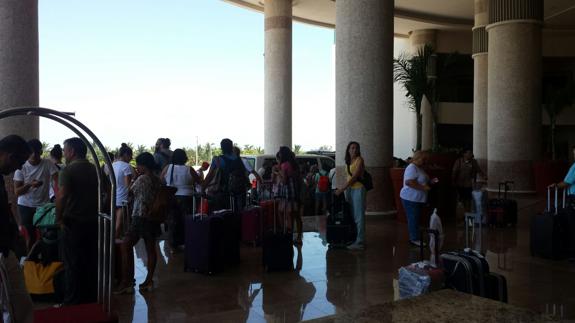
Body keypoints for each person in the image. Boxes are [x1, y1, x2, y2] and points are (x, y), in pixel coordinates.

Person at [56, 137, 99, 305]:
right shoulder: (94, 169)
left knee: (72, 263)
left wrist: (59, 218)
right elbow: (107, 191)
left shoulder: (67, 171)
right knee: (90, 261)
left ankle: (72, 301)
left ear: (72, 151)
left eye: (65, 150)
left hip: (73, 223)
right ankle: (91, 299)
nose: (64, 154)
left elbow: (62, 195)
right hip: (93, 222)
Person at [115, 152, 162, 294]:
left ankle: (126, 282)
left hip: (140, 216)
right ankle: (148, 280)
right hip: (153, 217)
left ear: (143, 165)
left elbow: (129, 192)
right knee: (150, 249)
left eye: (138, 165)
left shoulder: (142, 179)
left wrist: (134, 178)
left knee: (126, 244)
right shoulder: (157, 180)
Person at [0, 135, 34, 323]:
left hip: (6, 248)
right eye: (19, 162)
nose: (20, 168)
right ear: (10, 156)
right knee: (15, 303)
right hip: (2, 249)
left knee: (16, 304)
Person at [13, 139, 59, 251]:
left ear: (41, 152)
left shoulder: (48, 164)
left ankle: (45, 260)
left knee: (47, 235)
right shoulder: (21, 167)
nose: (34, 155)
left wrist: (59, 198)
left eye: (37, 152)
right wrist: (29, 184)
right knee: (30, 236)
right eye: (31, 152)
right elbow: (17, 192)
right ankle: (30, 261)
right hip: (25, 206)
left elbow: (56, 182)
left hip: (44, 206)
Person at [160, 148, 200, 251]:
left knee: (172, 221)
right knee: (186, 220)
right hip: (187, 197)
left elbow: (160, 180)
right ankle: (186, 242)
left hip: (171, 197)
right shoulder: (189, 169)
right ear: (184, 158)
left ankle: (173, 245)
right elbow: (198, 181)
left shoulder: (168, 167)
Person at [400, 151, 437, 247]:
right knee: (413, 219)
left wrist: (430, 182)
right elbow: (409, 182)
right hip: (411, 198)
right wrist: (424, 188)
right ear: (418, 158)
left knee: (415, 218)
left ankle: (415, 236)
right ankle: (414, 239)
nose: (425, 162)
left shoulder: (419, 168)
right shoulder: (412, 168)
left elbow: (422, 180)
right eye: (424, 159)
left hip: (418, 199)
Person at [335, 142, 367, 250]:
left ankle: (360, 242)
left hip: (358, 189)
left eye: (356, 148)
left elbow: (354, 178)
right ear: (348, 150)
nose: (354, 150)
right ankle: (354, 238)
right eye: (352, 148)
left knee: (359, 216)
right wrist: (344, 189)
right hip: (349, 190)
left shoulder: (359, 160)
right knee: (352, 215)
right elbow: (348, 177)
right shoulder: (348, 161)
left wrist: (341, 189)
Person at [202, 138, 248, 211]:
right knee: (238, 214)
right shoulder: (239, 159)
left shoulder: (218, 159)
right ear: (231, 147)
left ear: (221, 148)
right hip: (240, 192)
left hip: (225, 193)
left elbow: (209, 176)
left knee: (223, 214)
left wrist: (202, 188)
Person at [276, 146, 303, 245]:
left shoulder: (284, 165)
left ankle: (288, 237)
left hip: (287, 192)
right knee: (296, 216)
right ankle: (299, 237)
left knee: (286, 214)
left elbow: (284, 181)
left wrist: (278, 173)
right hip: (295, 191)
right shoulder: (294, 164)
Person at [113, 143, 134, 238]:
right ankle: (115, 242)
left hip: (113, 196)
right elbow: (128, 185)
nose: (131, 158)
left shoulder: (113, 165)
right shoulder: (126, 166)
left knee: (114, 221)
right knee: (120, 222)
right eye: (130, 155)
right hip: (123, 197)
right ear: (125, 154)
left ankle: (113, 241)